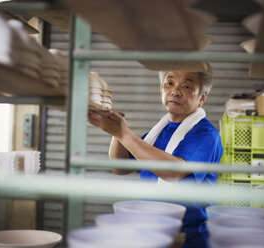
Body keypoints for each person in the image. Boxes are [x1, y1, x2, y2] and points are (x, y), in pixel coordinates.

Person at [88, 64, 223, 248]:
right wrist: (117, 133)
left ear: (201, 98)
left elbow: (172, 172)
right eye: (169, 83)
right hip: (152, 232)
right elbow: (120, 167)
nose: (174, 91)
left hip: (188, 238)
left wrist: (125, 134)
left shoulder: (205, 134)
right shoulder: (158, 132)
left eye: (186, 86)